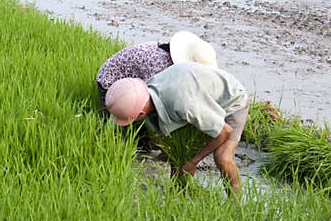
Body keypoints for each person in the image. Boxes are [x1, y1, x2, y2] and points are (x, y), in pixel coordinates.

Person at [104, 61, 250, 193]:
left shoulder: (184, 105)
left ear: (141, 113)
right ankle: (180, 190)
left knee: (222, 157)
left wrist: (193, 162)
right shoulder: (145, 92)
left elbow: (224, 131)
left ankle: (235, 203)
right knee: (176, 151)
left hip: (231, 100)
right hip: (201, 99)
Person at [95, 31, 217, 111]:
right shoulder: (159, 65)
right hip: (110, 84)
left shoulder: (166, 53)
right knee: (126, 118)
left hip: (127, 81)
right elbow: (153, 96)